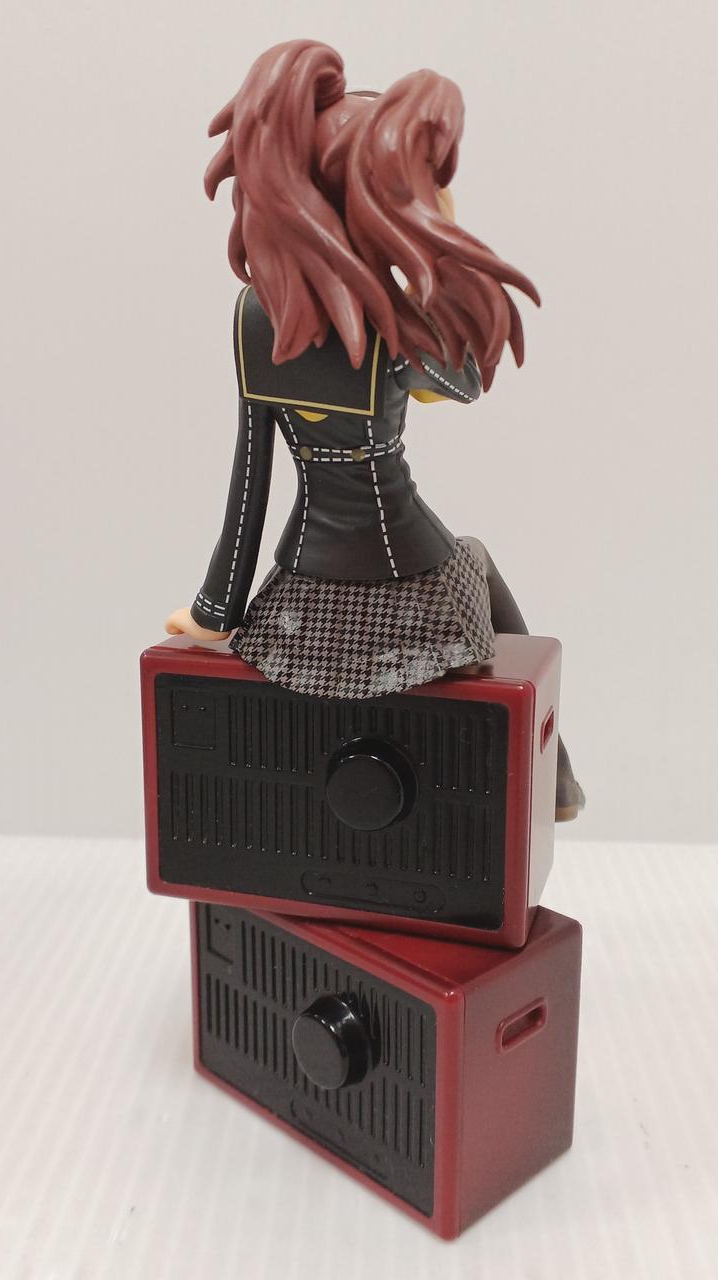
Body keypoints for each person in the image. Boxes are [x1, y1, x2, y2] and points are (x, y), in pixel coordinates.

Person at [165, 40, 585, 820]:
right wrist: (438, 271)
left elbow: (250, 480)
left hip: (300, 587)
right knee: (478, 561)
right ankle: (554, 781)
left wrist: (216, 608)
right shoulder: (396, 329)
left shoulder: (257, 318)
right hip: (407, 567)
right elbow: (465, 386)